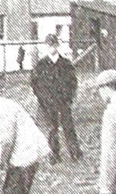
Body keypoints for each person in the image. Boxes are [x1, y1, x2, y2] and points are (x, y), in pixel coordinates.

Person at [30, 33, 83, 162]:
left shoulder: (65, 64)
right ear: (46, 46)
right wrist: (42, 98)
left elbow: (73, 82)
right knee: (51, 128)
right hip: (48, 102)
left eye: (53, 45)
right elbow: (35, 84)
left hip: (63, 101)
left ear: (57, 45)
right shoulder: (41, 65)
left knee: (68, 126)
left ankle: (75, 153)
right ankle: (54, 154)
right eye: (49, 45)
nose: (51, 47)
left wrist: (69, 97)